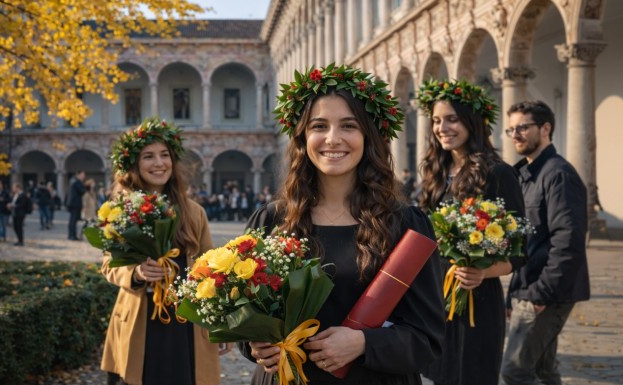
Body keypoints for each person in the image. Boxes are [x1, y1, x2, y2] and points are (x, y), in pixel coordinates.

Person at [240, 64, 444, 385]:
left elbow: (428, 338)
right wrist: (256, 346)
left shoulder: (404, 224)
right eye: (319, 126)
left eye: (348, 126)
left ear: (368, 136)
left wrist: (364, 343)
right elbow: (244, 315)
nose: (332, 139)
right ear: (303, 137)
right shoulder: (271, 219)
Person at [100, 117, 230, 385]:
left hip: (185, 325)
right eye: (148, 156)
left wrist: (220, 324)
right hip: (140, 321)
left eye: (164, 155)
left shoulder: (195, 213)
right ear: (134, 165)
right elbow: (108, 266)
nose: (159, 163)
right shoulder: (120, 210)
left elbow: (211, 272)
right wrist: (135, 273)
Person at [415, 78, 526, 385]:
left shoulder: (498, 173)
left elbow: (520, 249)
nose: (442, 128)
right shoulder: (434, 175)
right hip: (434, 297)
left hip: (477, 299)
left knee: (472, 375)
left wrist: (484, 272)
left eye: (451, 119)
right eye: (437, 120)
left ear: (471, 121)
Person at [500, 100, 590, 385]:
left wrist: (541, 294)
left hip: (546, 290)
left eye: (523, 127)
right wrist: (514, 293)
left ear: (546, 128)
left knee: (514, 371)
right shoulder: (526, 175)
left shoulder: (558, 174)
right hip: (529, 287)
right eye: (511, 129)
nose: (515, 135)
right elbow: (527, 244)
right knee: (542, 370)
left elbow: (569, 240)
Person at [66, 170, 86, 240]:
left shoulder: (73, 180)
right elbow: (82, 190)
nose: (84, 177)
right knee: (73, 220)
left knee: (73, 220)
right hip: (74, 204)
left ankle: (71, 235)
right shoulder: (76, 181)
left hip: (74, 203)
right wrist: (88, 186)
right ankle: (72, 236)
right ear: (79, 174)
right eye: (83, 175)